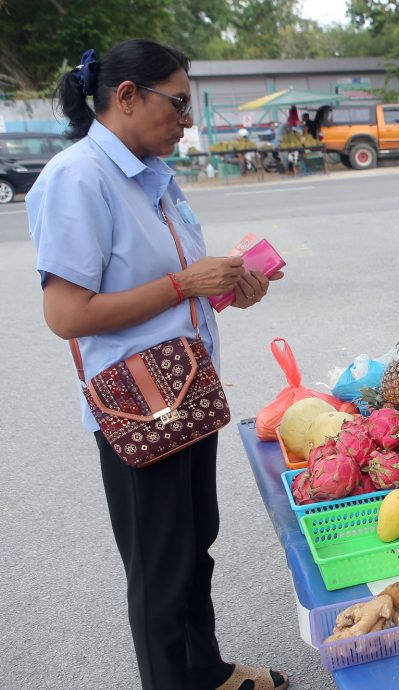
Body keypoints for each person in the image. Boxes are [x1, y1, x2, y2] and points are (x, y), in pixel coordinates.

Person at [27, 40, 289, 690]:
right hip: (137, 409)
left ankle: (207, 671)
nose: (188, 120)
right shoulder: (79, 177)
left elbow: (174, 294)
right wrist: (185, 285)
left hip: (186, 392)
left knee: (194, 548)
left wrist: (228, 288)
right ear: (126, 97)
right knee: (159, 570)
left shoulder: (152, 176)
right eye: (177, 104)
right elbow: (67, 313)